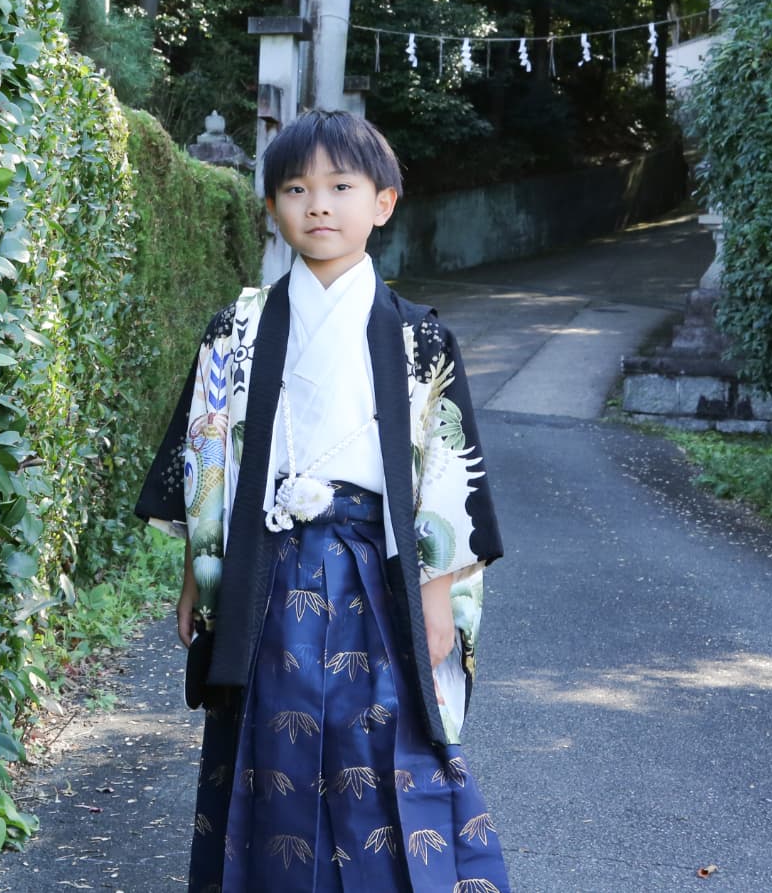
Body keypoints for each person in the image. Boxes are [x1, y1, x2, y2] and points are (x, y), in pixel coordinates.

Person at [134, 109, 513, 893]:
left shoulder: (419, 338)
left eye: (341, 186)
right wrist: (195, 579)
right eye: (296, 188)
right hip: (264, 575)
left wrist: (437, 592)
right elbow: (208, 455)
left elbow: (446, 473)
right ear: (271, 206)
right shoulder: (234, 330)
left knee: (385, 743)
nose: (318, 205)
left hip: (379, 574)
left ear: (383, 201)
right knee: (266, 747)